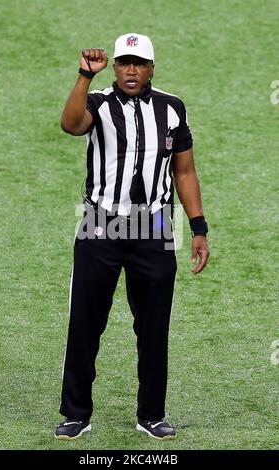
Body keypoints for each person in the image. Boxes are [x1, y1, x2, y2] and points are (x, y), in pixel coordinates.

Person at [55, 33, 210, 441]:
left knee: (154, 327)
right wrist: (84, 77)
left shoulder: (172, 108)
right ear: (116, 66)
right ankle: (75, 413)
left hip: (155, 228)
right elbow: (71, 125)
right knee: (85, 324)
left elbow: (185, 172)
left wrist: (198, 227)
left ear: (151, 68)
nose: (130, 70)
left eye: (138, 64)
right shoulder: (98, 102)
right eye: (124, 62)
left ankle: (152, 414)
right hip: (100, 224)